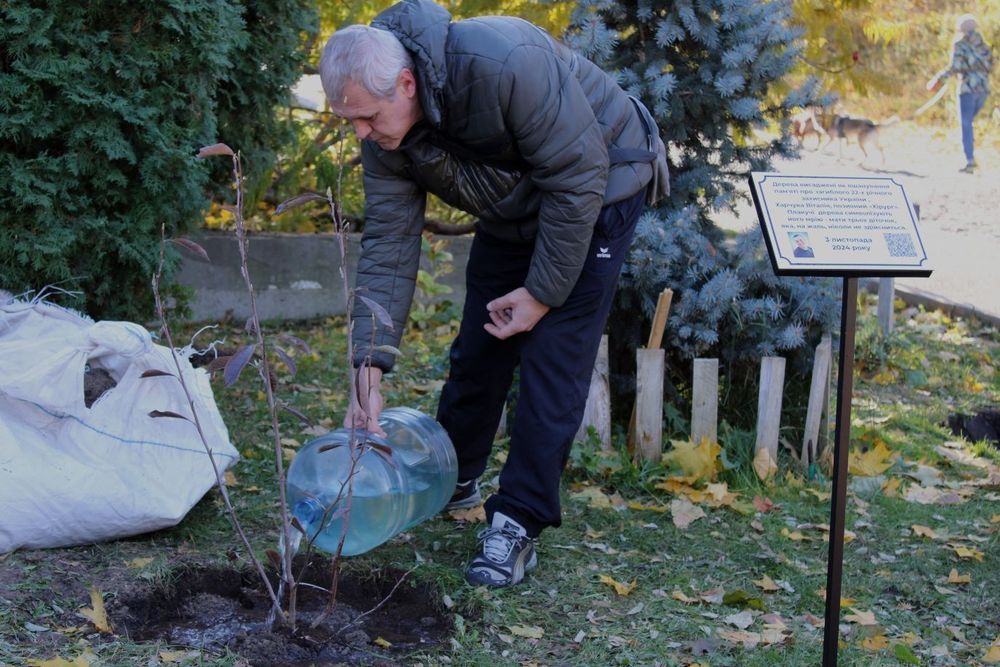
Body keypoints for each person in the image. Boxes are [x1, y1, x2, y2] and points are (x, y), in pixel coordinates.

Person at [319, 0, 669, 588]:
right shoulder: (384, 128)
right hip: (516, 202)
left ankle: (517, 521)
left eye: (367, 118)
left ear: (407, 83)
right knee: (481, 343)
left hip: (601, 184)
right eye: (350, 120)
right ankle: (452, 472)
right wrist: (368, 370)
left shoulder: (504, 61)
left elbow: (577, 176)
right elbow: (388, 245)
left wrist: (540, 294)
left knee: (552, 360)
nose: (361, 133)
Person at [927, 14, 994, 173]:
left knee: (966, 125)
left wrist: (937, 80)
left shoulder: (960, 44)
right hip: (984, 89)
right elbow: (991, 66)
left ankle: (969, 160)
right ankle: (972, 156)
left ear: (960, 29)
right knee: (969, 123)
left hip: (967, 89)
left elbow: (954, 67)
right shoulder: (984, 45)